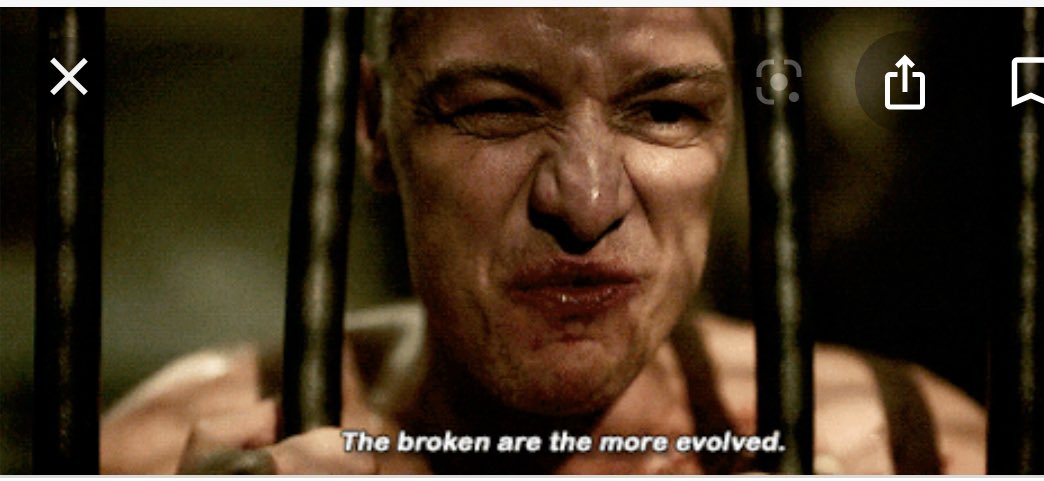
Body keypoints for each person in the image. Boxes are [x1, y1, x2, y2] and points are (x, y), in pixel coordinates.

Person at [99, 8, 985, 474]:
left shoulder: (909, 447)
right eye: (496, 108)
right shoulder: (162, 454)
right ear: (372, 126)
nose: (585, 202)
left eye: (665, 111)